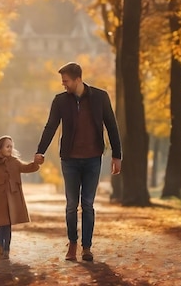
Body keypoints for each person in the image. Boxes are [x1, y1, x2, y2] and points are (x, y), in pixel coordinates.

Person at [35, 62, 122, 262]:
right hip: (70, 160)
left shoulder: (100, 97)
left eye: (66, 81)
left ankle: (87, 247)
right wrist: (40, 151)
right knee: (71, 205)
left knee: (88, 204)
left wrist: (117, 155)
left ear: (77, 79)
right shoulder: (60, 101)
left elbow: (112, 126)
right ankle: (72, 243)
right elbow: (50, 127)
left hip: (93, 159)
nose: (63, 85)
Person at [0, 135, 43, 260]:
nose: (10, 149)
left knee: (8, 225)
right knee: (1, 225)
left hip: (12, 198)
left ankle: (7, 250)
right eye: (7, 146)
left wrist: (36, 163)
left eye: (11, 146)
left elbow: (27, 168)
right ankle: (0, 248)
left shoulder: (15, 162)